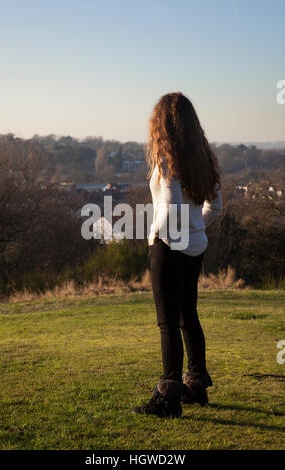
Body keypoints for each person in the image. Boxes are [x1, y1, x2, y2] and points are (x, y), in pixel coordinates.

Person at [132, 92, 223, 418]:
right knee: (188, 318)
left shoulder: (166, 156)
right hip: (195, 247)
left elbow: (169, 206)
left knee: (168, 322)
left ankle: (168, 398)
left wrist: (157, 232)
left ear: (161, 123)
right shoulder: (203, 156)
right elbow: (216, 206)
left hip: (168, 247)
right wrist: (195, 227)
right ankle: (196, 388)